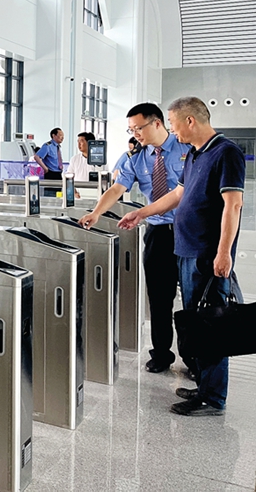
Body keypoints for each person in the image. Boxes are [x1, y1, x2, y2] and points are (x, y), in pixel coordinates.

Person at [117, 97, 245, 416]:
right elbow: (177, 194)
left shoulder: (226, 152)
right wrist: (142, 213)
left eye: (173, 123)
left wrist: (224, 253)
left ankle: (213, 398)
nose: (172, 130)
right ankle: (204, 385)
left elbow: (233, 205)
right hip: (187, 251)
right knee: (197, 322)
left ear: (190, 120)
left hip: (207, 253)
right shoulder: (195, 154)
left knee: (212, 323)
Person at [79, 103, 188, 374]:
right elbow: (117, 189)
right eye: (131, 130)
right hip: (158, 234)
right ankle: (161, 354)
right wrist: (96, 212)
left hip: (189, 232)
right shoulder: (136, 158)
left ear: (157, 123)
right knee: (159, 298)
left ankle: (194, 358)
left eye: (138, 128)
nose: (135, 134)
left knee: (192, 297)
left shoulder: (186, 147)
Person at [65, 131, 102, 198]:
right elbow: (68, 178)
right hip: (79, 195)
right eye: (78, 141)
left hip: (95, 195)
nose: (79, 144)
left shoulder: (100, 160)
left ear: (90, 143)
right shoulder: (74, 159)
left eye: (81, 141)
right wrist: (74, 192)